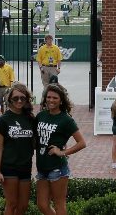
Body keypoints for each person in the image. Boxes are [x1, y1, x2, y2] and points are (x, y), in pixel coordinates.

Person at [34, 84, 85, 215]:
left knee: (59, 205)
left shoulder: (66, 119)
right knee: (42, 205)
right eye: (48, 97)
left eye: (55, 98)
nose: (51, 100)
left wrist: (62, 152)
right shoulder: (41, 116)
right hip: (42, 167)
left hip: (57, 168)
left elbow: (81, 143)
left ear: (61, 100)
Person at [0, 83, 36, 215]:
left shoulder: (30, 119)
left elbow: (37, 141)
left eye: (22, 98)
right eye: (16, 98)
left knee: (23, 206)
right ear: (10, 100)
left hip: (25, 166)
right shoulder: (3, 120)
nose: (19, 101)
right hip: (9, 166)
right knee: (12, 204)